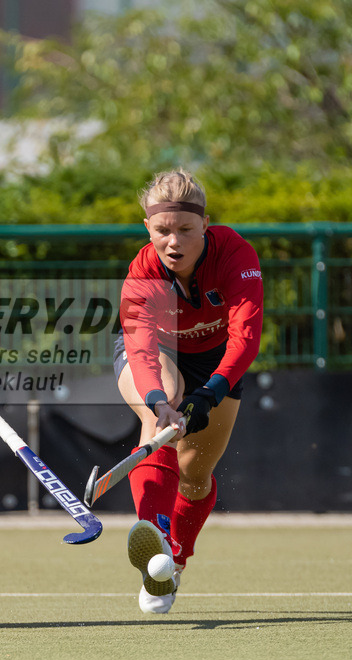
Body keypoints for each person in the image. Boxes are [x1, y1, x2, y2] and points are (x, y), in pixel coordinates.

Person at [115, 168, 263, 614]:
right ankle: (153, 536)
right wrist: (159, 402)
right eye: (162, 231)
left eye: (185, 230)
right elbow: (140, 351)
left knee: (196, 477)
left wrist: (212, 391)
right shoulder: (142, 273)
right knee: (160, 406)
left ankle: (173, 562)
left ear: (205, 224)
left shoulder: (236, 254)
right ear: (148, 228)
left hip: (217, 361)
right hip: (157, 353)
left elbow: (246, 336)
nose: (173, 242)